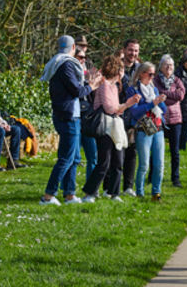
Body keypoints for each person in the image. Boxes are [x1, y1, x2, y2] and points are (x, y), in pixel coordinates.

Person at [40, 35, 101, 206]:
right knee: (66, 158)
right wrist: (92, 86)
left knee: (73, 158)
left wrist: (87, 85)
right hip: (68, 116)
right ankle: (48, 195)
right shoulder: (66, 64)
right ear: (73, 47)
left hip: (69, 115)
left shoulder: (58, 62)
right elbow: (76, 91)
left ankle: (69, 194)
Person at [81, 55, 140, 202]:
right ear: (116, 70)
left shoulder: (114, 87)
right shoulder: (104, 85)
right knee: (104, 162)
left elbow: (117, 109)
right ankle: (90, 192)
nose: (123, 72)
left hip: (115, 127)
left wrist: (127, 105)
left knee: (118, 162)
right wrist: (126, 104)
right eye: (121, 69)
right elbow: (109, 108)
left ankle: (114, 193)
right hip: (105, 128)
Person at [124, 62, 166, 200]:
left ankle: (156, 192)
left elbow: (164, 110)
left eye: (154, 74)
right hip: (143, 128)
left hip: (158, 127)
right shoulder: (133, 90)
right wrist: (151, 104)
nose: (152, 77)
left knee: (159, 163)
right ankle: (140, 192)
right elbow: (135, 112)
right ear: (141, 73)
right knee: (144, 164)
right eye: (150, 74)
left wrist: (160, 101)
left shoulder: (153, 89)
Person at [156, 55, 186, 187]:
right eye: (166, 65)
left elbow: (181, 95)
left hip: (175, 119)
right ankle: (154, 176)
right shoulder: (156, 80)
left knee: (175, 151)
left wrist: (165, 94)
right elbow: (156, 94)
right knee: (156, 150)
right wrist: (171, 96)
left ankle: (176, 178)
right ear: (161, 67)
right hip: (159, 118)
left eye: (171, 65)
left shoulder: (177, 80)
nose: (169, 67)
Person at [118, 39, 142, 196]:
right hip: (118, 113)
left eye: (136, 51)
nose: (133, 53)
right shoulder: (116, 67)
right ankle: (110, 188)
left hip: (134, 116)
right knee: (116, 152)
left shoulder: (141, 69)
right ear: (124, 50)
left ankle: (128, 187)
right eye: (130, 50)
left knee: (132, 152)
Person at [75, 36, 98, 182]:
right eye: (79, 47)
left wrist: (93, 84)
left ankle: (91, 187)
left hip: (88, 113)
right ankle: (68, 189)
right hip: (74, 114)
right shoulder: (68, 68)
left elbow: (94, 91)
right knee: (74, 156)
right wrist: (89, 84)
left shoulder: (89, 65)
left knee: (93, 155)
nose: (83, 55)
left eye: (85, 47)